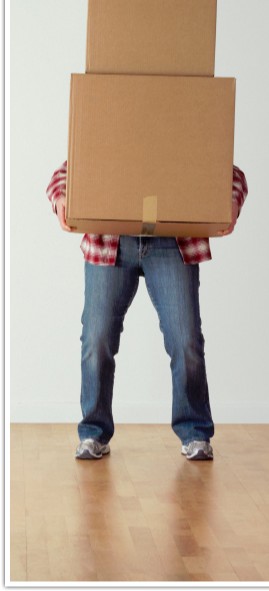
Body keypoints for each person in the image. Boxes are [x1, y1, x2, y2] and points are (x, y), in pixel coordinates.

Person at [46, 161, 248, 461]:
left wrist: (230, 201)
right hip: (110, 238)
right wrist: (60, 198)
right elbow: (70, 167)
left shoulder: (184, 123)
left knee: (185, 338)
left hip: (174, 239)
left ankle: (195, 432)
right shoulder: (110, 122)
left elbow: (230, 172)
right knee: (96, 338)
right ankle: (93, 432)